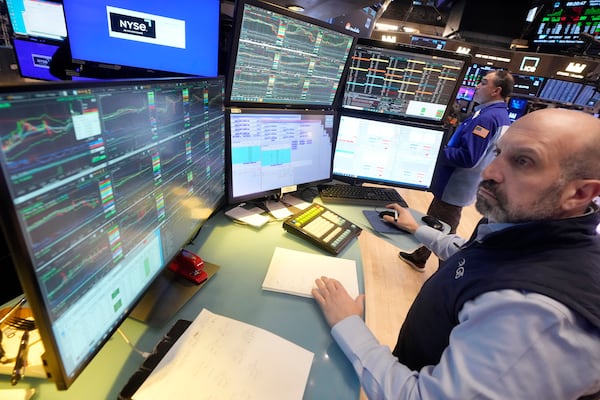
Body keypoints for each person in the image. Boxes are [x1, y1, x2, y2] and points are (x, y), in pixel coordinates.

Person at [312, 108, 600, 399]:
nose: (489, 172)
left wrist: (348, 324)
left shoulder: (537, 315)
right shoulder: (529, 231)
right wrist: (418, 230)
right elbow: (477, 259)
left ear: (579, 194)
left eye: (523, 161)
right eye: (498, 152)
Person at [400, 69, 514, 271]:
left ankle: (447, 271)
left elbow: (468, 158)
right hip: (461, 184)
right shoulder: (499, 115)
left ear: (496, 90)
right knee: (436, 219)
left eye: (483, 82)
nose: (477, 86)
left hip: (455, 184)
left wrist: (438, 151)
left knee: (443, 229)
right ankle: (420, 256)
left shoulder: (487, 118)